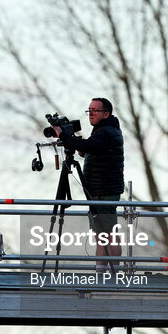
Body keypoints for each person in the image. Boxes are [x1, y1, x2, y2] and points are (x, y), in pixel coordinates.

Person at [54, 97, 125, 272]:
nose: (91, 113)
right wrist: (80, 145)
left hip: (104, 191)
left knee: (107, 234)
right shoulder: (103, 131)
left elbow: (91, 145)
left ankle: (111, 273)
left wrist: (63, 135)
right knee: (102, 235)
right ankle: (102, 272)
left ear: (106, 114)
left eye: (95, 110)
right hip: (100, 190)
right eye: (89, 110)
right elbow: (93, 149)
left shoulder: (106, 131)